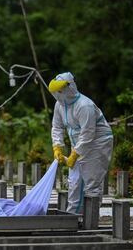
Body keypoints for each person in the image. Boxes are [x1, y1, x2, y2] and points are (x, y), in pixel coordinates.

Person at [48, 72, 113, 214]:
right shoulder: (59, 105)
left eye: (60, 91)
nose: (57, 95)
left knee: (91, 183)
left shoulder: (84, 106)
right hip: (78, 144)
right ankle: (73, 217)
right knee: (74, 181)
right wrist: (57, 147)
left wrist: (75, 154)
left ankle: (91, 220)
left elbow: (88, 133)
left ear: (70, 88)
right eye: (55, 92)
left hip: (97, 143)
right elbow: (57, 126)